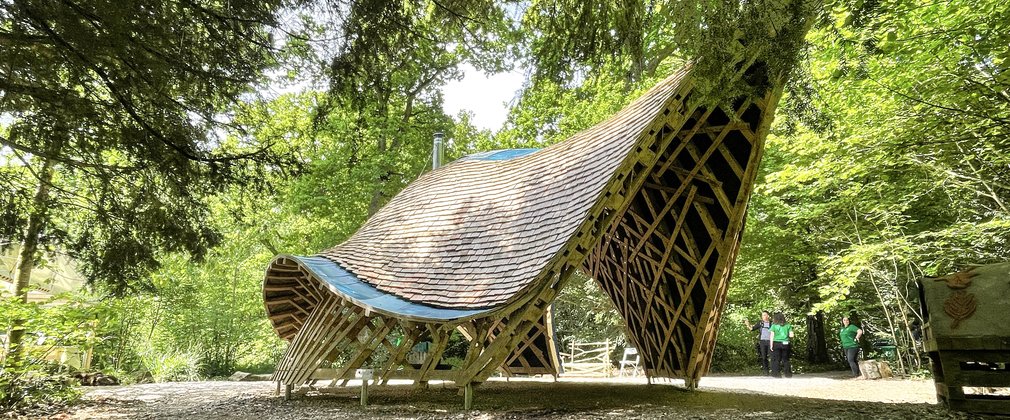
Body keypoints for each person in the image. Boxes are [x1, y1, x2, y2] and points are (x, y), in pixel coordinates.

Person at [742, 311, 772, 375]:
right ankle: (766, 371)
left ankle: (774, 370)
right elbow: (752, 329)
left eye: (764, 315)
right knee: (764, 357)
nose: (763, 316)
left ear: (768, 316)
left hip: (770, 342)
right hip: (762, 342)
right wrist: (747, 324)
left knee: (772, 357)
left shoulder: (772, 323)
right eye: (762, 315)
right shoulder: (760, 323)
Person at [768, 312, 794, 378]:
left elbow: (772, 336)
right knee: (786, 359)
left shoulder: (774, 325)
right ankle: (788, 374)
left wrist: (771, 345)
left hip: (776, 343)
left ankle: (777, 374)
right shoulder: (788, 325)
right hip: (786, 343)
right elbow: (791, 335)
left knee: (777, 359)